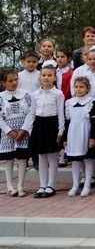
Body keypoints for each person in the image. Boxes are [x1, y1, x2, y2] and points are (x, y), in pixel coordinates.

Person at [29, 65, 65, 198]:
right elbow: (32, 113)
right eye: (44, 75)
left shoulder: (58, 94)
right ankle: (42, 185)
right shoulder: (35, 94)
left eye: (50, 75)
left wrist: (60, 130)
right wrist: (31, 129)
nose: (46, 78)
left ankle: (51, 185)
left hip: (52, 125)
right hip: (39, 125)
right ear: (40, 77)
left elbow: (61, 113)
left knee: (52, 156)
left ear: (54, 78)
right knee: (41, 156)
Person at [64, 76, 95, 197]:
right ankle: (75, 185)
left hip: (86, 132)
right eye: (77, 87)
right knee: (75, 160)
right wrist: (65, 139)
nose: (79, 89)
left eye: (82, 87)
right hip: (73, 134)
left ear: (88, 88)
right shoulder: (69, 103)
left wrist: (92, 137)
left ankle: (87, 184)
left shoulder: (92, 102)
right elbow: (67, 121)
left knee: (88, 158)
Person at [0, 69, 33, 197]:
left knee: (22, 158)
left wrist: (24, 129)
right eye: (10, 80)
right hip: (8, 132)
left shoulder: (26, 95)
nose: (14, 82)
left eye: (15, 79)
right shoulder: (1, 97)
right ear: (3, 83)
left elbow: (31, 113)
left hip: (22, 131)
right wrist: (9, 131)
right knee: (9, 159)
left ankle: (20, 185)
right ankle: (9, 186)